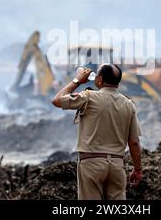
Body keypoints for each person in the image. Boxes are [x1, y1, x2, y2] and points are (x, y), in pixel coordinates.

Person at [51, 64, 142, 200]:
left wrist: (77, 80)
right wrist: (138, 169)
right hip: (117, 166)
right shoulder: (129, 104)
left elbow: (57, 100)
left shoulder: (88, 97)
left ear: (99, 80)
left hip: (91, 164)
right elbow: (134, 142)